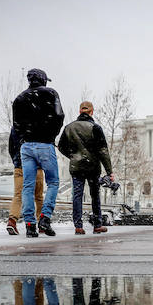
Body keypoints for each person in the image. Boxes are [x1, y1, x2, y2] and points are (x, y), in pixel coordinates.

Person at [12, 68, 64, 237]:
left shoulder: (19, 98)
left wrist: (24, 138)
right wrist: (51, 135)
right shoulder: (50, 94)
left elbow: (16, 126)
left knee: (28, 186)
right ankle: (45, 217)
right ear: (43, 80)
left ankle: (29, 224)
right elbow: (59, 117)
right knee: (53, 182)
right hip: (44, 143)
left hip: (26, 147)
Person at [57, 101, 114, 235]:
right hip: (93, 166)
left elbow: (60, 147)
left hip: (76, 167)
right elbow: (103, 151)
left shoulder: (69, 128)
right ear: (91, 112)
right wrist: (109, 171)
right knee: (95, 195)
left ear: (80, 111)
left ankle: (78, 225)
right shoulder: (95, 128)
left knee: (77, 195)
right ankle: (97, 225)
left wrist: (72, 156)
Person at [5, 124, 44, 235]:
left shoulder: (16, 126)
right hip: (36, 166)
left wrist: (17, 161)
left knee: (18, 195)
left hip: (20, 166)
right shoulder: (38, 125)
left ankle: (12, 221)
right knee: (39, 197)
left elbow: (11, 148)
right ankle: (41, 223)